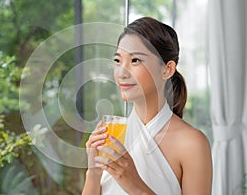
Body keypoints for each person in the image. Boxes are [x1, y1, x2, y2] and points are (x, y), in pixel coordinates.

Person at [82, 17, 212, 195]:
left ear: (167, 69)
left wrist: (135, 186)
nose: (121, 73)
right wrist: (94, 173)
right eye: (118, 60)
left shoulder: (192, 143)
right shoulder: (114, 134)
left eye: (135, 60)